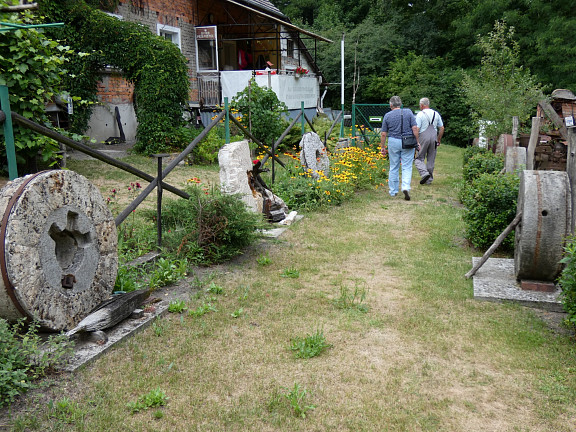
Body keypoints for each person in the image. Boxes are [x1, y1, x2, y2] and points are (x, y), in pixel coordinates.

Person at [380, 95, 419, 201]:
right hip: (408, 141)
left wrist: (382, 147)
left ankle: (393, 191)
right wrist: (417, 142)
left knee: (393, 166)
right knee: (406, 166)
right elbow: (414, 128)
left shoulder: (387, 115)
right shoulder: (408, 112)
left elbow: (383, 134)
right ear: (401, 104)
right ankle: (405, 187)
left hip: (393, 141)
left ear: (391, 105)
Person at [415, 97, 444, 185]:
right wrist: (439, 139)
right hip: (434, 137)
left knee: (418, 158)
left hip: (423, 137)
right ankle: (429, 180)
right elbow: (442, 128)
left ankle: (424, 173)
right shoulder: (436, 113)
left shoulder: (420, 114)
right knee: (431, 159)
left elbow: (417, 129)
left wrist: (417, 141)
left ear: (422, 105)